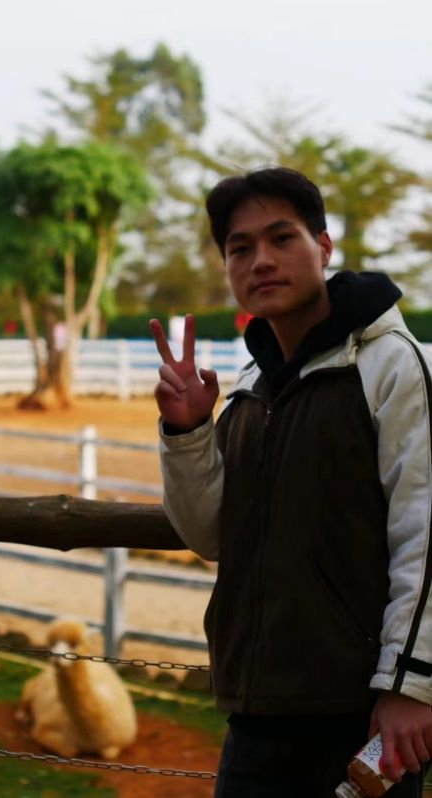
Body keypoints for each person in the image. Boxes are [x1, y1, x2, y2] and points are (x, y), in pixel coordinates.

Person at [150, 167, 432, 798]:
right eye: (240, 248)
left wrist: (412, 685)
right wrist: (188, 430)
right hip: (256, 713)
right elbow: (210, 535)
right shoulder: (253, 385)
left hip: (361, 717)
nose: (261, 261)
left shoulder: (392, 366)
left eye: (282, 238)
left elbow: (426, 533)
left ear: (323, 247)